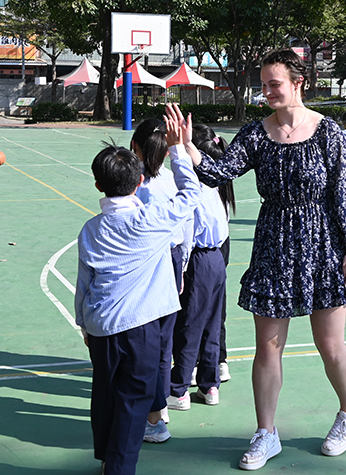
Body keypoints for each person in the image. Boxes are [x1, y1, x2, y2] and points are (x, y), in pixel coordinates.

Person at [165, 47, 346, 471]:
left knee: (330, 344)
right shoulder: (257, 134)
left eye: (275, 84)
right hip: (274, 243)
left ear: (298, 82)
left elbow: (344, 194)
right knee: (268, 347)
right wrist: (187, 147)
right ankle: (266, 433)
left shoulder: (328, 133)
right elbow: (220, 172)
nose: (267, 92)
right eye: (264, 85)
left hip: (323, 244)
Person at [74, 120, 201, 475]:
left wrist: (83, 324)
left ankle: (106, 456)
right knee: (135, 398)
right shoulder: (154, 219)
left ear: (98, 185)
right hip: (140, 326)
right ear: (140, 181)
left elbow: (84, 282)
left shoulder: (90, 229)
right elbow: (191, 194)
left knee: (105, 393)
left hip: (101, 326)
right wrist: (177, 149)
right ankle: (118, 467)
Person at [130, 118, 189, 437]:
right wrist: (183, 265)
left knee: (142, 341)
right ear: (167, 152)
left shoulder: (133, 184)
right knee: (164, 340)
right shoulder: (174, 181)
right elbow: (188, 223)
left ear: (134, 146)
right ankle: (160, 407)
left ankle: (150, 414)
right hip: (173, 257)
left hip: (145, 261)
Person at [166, 125, 230, 411]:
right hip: (217, 258)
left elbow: (187, 234)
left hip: (199, 260)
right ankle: (210, 385)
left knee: (189, 325)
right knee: (212, 326)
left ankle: (179, 389)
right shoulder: (216, 186)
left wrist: (181, 269)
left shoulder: (192, 190)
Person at [193, 124, 236, 384]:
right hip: (222, 246)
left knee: (193, 310)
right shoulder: (223, 181)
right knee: (216, 307)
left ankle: (193, 364)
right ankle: (220, 361)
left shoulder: (197, 185)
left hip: (201, 250)